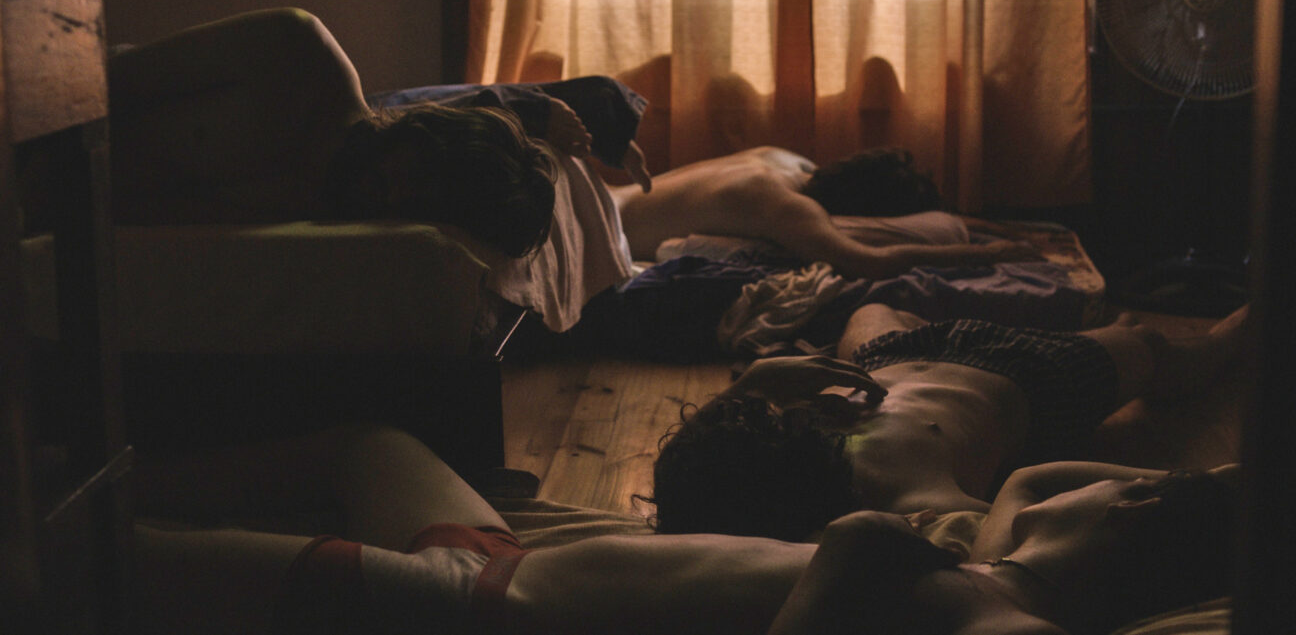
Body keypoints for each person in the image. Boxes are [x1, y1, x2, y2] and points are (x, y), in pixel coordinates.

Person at [131, 424, 1237, 635]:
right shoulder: (991, 557)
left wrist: (853, 555)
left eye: (1138, 482)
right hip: (511, 566)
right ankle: (108, 473)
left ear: (1134, 509)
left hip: (464, 613)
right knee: (366, 444)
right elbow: (1039, 476)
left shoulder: (1003, 617)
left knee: (104, 567)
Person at [46, 8, 645, 257]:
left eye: (424, 204)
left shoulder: (318, 213)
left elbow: (138, 213)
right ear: (423, 134)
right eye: (417, 174)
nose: (395, 198)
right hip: (37, 129)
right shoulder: (297, 52)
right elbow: (95, 78)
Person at [647, 303, 1250, 541]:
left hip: (891, 355)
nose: (789, 421)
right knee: (1157, 347)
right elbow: (1004, 533)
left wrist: (755, 380)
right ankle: (1252, 316)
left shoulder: (751, 459)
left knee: (872, 306)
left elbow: (699, 458)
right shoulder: (908, 501)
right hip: (1033, 375)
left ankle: (1096, 324)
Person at [770, 461, 1239, 635]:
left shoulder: (1013, 624)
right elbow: (1030, 479)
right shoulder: (991, 570)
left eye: (1119, 481)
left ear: (1131, 509)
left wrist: (852, 541)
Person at [608, 145, 1037, 277]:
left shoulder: (777, 158)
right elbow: (870, 261)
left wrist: (986, 225)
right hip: (602, 228)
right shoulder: (788, 208)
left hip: (606, 194)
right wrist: (988, 253)